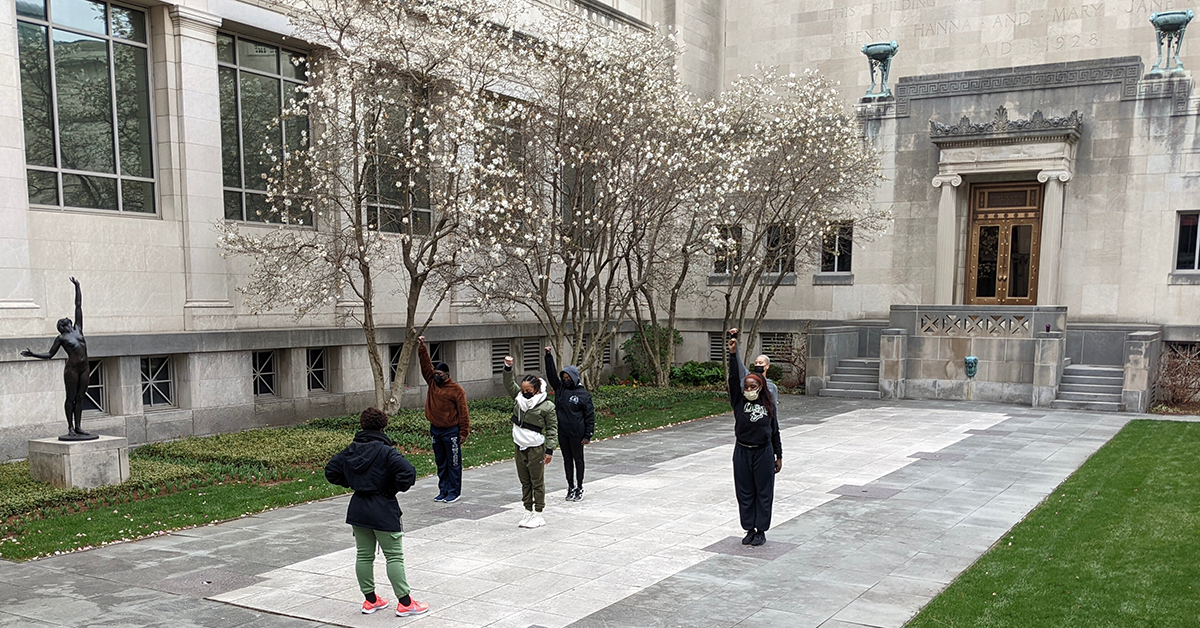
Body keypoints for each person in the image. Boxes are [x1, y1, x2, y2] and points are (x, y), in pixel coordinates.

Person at [324, 408, 429, 617]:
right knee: (394, 557)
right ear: (383, 427)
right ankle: (405, 603)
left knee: (364, 555)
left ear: (362, 425)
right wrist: (390, 489)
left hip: (358, 508)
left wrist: (355, 483)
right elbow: (408, 472)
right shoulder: (386, 451)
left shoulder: (350, 450)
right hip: (383, 508)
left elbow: (331, 471)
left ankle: (371, 601)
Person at [20, 277, 95, 440]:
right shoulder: (61, 338)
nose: (68, 318)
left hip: (85, 368)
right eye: (65, 319)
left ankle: (78, 426)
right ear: (62, 325)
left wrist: (77, 287)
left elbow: (78, 306)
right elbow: (49, 355)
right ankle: (70, 427)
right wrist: (33, 354)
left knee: (81, 397)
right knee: (71, 397)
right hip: (72, 369)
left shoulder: (78, 329)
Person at [727, 332, 783, 547]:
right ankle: (749, 528)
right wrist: (733, 354)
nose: (749, 389)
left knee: (764, 491)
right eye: (746, 387)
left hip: (764, 452)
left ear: (760, 387)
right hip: (742, 451)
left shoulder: (768, 404)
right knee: (745, 491)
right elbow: (734, 378)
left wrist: (779, 455)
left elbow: (775, 430)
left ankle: (761, 530)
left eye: (753, 386)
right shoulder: (738, 402)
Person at [503, 355, 558, 528]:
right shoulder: (519, 399)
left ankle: (539, 512)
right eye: (523, 389)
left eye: (528, 389)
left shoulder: (546, 406)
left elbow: (551, 429)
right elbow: (509, 384)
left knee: (537, 481)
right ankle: (528, 510)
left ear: (536, 389)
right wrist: (507, 367)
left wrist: (549, 450)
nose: (524, 392)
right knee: (524, 480)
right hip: (519, 446)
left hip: (536, 448)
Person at [417, 334, 469, 503]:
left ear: (447, 374)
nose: (436, 376)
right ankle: (443, 490)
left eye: (439, 374)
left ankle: (454, 491)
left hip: (451, 430)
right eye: (435, 373)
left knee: (453, 462)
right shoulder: (432, 383)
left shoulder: (456, 390)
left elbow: (463, 412)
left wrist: (463, 432)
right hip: (436, 429)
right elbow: (425, 366)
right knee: (441, 461)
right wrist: (422, 347)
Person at [545, 347, 595, 501]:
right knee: (567, 460)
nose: (565, 379)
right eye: (564, 377)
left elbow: (589, 416)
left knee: (578, 460)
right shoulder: (560, 389)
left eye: (568, 377)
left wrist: (588, 434)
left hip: (577, 433)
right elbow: (552, 376)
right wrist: (548, 357)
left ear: (574, 378)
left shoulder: (583, 395)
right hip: (563, 432)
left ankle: (580, 487)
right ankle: (570, 486)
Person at [728, 328, 779, 418]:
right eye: (756, 363)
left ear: (767, 366)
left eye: (760, 363)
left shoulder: (771, 387)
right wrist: (734, 340)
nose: (757, 365)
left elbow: (773, 409)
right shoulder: (748, 378)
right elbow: (738, 364)